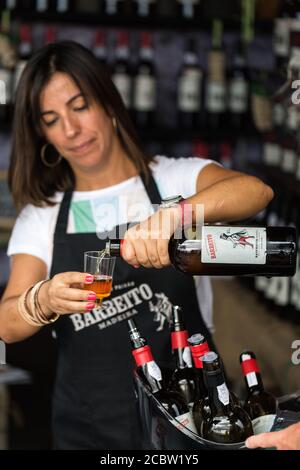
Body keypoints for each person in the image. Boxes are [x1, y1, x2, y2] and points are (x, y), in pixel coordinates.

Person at [0, 40, 274, 450]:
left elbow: (256, 192)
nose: (71, 130)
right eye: (52, 119)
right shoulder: (43, 215)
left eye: (80, 106)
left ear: (108, 102)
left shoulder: (173, 180)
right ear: (42, 133)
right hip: (89, 426)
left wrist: (175, 215)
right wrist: (44, 299)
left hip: (190, 417)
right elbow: (6, 322)